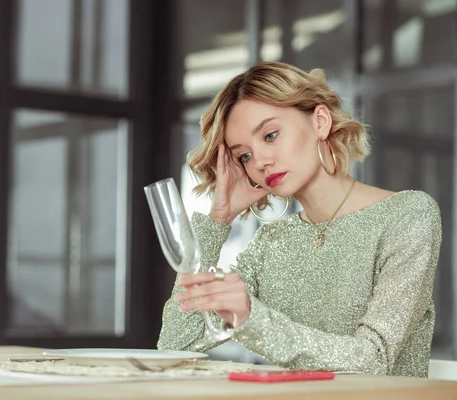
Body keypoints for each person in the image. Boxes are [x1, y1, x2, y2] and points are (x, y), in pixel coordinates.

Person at [157, 62, 442, 378]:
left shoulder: (408, 215)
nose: (261, 161)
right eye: (244, 156)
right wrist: (218, 218)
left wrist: (251, 317)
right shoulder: (272, 241)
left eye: (270, 134)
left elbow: (374, 360)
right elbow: (176, 345)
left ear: (320, 122)